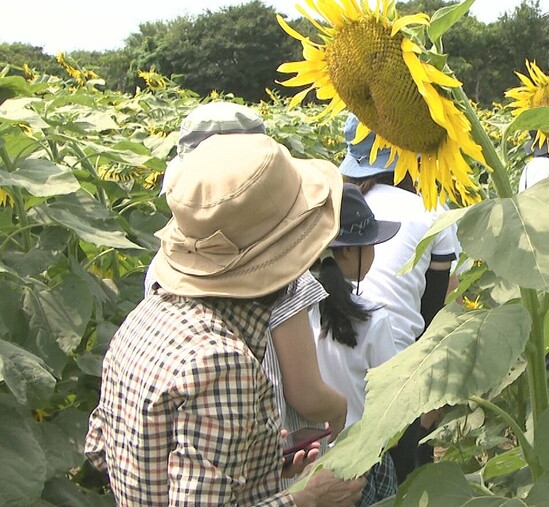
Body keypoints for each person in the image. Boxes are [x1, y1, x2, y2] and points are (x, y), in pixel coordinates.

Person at [86, 133, 365, 505]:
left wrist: (259, 467)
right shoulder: (221, 363)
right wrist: (308, 499)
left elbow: (102, 448)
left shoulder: (145, 317)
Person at [145, 102, 349, 459]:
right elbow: (305, 393)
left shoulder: (164, 267)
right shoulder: (283, 278)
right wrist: (340, 408)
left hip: (182, 450)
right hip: (272, 455)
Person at [337, 113, 460, 481]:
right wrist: (431, 398)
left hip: (329, 364)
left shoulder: (338, 207)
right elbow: (441, 311)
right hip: (397, 372)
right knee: (407, 475)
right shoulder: (429, 209)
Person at [310, 184, 404, 506]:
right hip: (361, 461)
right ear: (349, 250)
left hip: (307, 461)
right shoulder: (372, 321)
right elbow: (392, 400)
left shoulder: (291, 314)